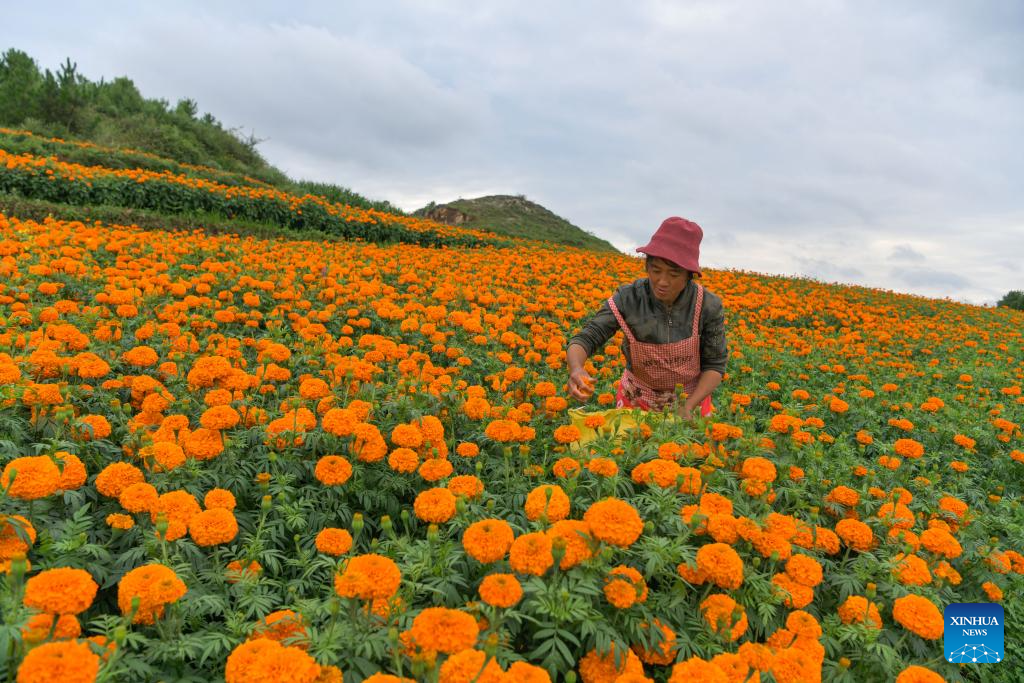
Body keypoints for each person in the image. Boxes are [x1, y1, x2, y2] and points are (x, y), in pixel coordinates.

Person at [566, 216, 727, 419]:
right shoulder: (629, 298)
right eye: (656, 270)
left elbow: (715, 365)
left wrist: (689, 405)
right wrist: (577, 368)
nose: (662, 281)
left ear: (689, 274)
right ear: (646, 266)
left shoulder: (707, 305)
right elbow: (586, 338)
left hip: (691, 400)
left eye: (674, 274)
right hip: (637, 398)